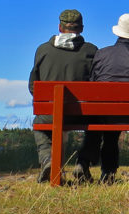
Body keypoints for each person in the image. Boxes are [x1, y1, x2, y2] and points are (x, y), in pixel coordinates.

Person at [76, 13, 129, 182]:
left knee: (109, 128)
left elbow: (92, 82)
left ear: (118, 31)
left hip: (106, 113)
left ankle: (108, 172)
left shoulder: (101, 54)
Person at [28, 9, 98, 183]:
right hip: (81, 114)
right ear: (81, 28)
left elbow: (32, 86)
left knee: (39, 122)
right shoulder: (91, 51)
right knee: (98, 122)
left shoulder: (43, 50)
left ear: (60, 27)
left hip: (49, 113)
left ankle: (47, 160)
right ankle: (83, 163)